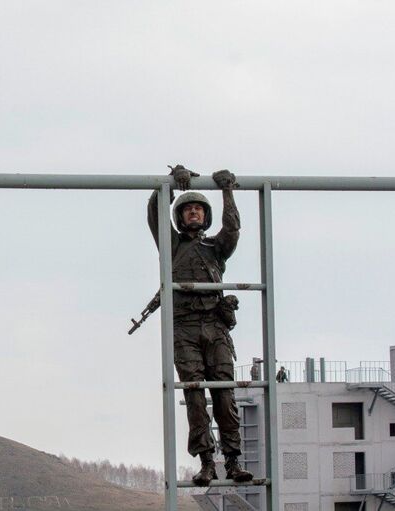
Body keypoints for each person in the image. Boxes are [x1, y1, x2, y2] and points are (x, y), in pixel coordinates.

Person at [147, 164, 253, 486]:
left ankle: (233, 462)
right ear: (180, 216)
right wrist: (169, 185)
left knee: (224, 394)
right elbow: (154, 211)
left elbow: (233, 230)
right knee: (194, 395)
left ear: (205, 216)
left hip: (215, 326)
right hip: (185, 328)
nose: (193, 213)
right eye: (188, 209)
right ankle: (207, 461)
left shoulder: (215, 248)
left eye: (198, 209)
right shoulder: (172, 245)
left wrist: (227, 191)